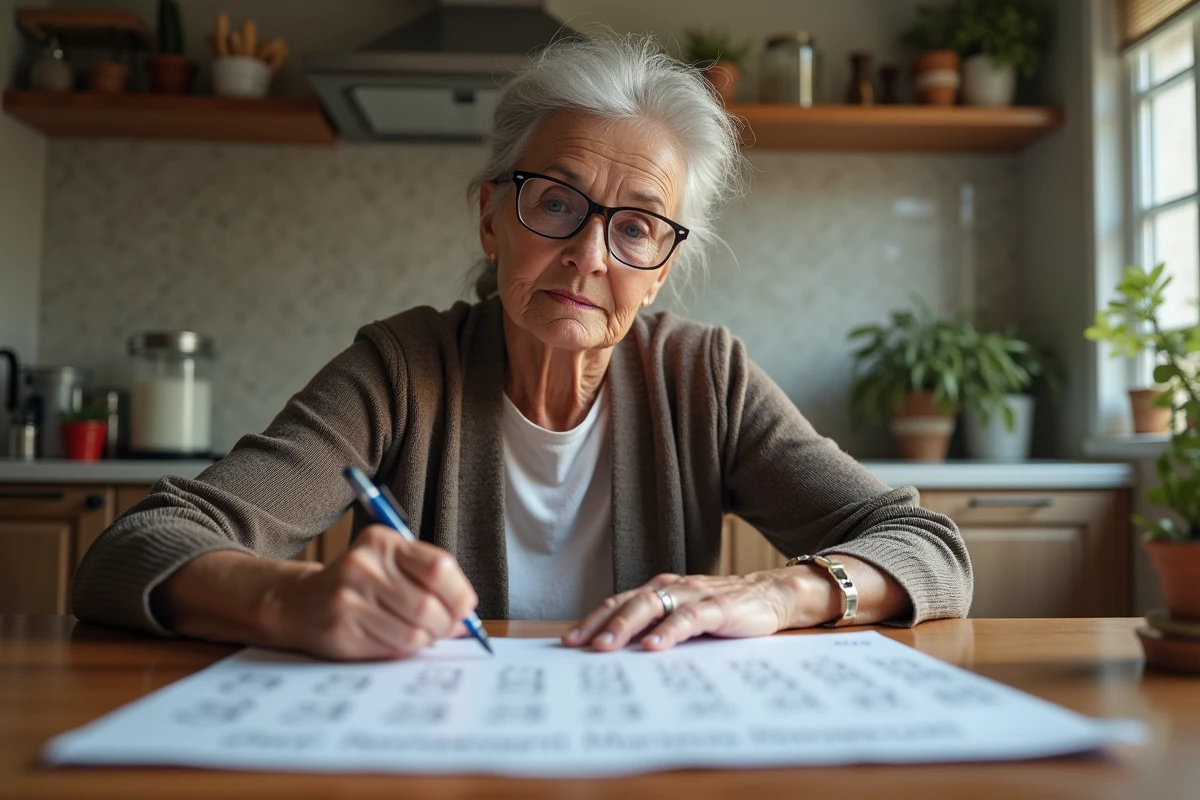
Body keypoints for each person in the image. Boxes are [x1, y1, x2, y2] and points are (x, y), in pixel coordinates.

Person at [71, 33, 971, 661]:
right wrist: (288, 597)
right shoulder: (400, 369)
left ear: (659, 270)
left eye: (637, 227)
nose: (587, 253)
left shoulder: (704, 376)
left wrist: (779, 595)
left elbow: (929, 546)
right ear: (493, 218)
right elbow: (135, 549)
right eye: (554, 203)